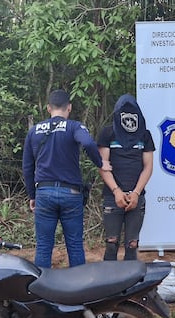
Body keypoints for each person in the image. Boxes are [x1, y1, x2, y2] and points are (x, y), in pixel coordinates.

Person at [22, 89, 108, 268]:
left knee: (44, 247)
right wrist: (100, 163)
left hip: (44, 193)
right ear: (69, 107)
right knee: (75, 245)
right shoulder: (74, 127)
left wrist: (32, 195)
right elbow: (89, 143)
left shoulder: (34, 131)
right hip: (71, 193)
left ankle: (42, 291)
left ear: (48, 108)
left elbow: (27, 167)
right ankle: (79, 290)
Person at [97, 94, 155, 261]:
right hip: (112, 196)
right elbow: (103, 165)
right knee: (111, 242)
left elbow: (148, 167)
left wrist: (136, 193)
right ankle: (109, 285)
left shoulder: (144, 135)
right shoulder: (108, 133)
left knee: (132, 244)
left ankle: (132, 285)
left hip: (136, 197)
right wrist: (116, 191)